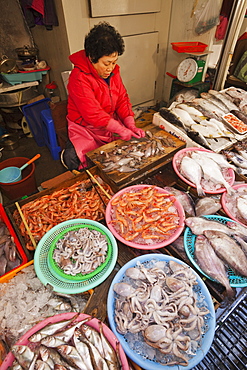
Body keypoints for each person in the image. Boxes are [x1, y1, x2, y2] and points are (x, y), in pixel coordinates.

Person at [63, 21, 145, 170]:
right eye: (106, 63)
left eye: (114, 62)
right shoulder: (79, 78)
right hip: (86, 129)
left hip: (108, 124)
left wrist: (130, 124)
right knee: (74, 158)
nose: (111, 68)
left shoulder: (114, 72)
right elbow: (92, 114)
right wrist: (120, 130)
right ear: (92, 57)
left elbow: (122, 99)